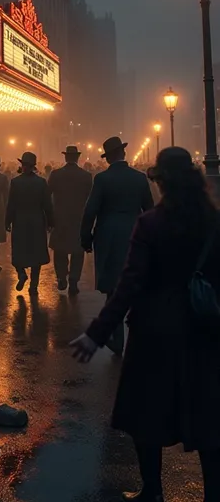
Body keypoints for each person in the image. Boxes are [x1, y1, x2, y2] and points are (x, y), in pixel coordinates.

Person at [71, 148, 220, 502]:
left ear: (160, 182)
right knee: (206, 418)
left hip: (155, 330)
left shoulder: (152, 225)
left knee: (146, 416)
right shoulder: (213, 223)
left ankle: (152, 497)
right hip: (203, 331)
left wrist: (96, 333)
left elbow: (129, 286)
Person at [80, 136, 154, 355]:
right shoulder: (140, 178)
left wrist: (86, 237)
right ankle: (139, 336)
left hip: (109, 235)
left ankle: (117, 340)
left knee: (113, 287)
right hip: (135, 233)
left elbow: (90, 210)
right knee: (135, 282)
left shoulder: (102, 179)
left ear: (108, 157)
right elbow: (149, 209)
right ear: (124, 153)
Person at [5, 151, 54, 295]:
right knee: (36, 254)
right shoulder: (41, 182)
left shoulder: (15, 182)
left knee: (18, 251)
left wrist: (7, 221)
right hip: (37, 221)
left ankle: (21, 274)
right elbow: (47, 205)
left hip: (20, 221)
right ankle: (34, 285)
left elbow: (11, 204)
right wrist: (51, 221)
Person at [48, 145, 92, 295]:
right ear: (78, 158)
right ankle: (74, 280)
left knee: (60, 250)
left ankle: (61, 277)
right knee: (78, 251)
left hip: (59, 217)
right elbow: (90, 199)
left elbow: (48, 195)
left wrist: (49, 217)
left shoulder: (56, 174)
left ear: (65, 157)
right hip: (78, 218)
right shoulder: (86, 176)